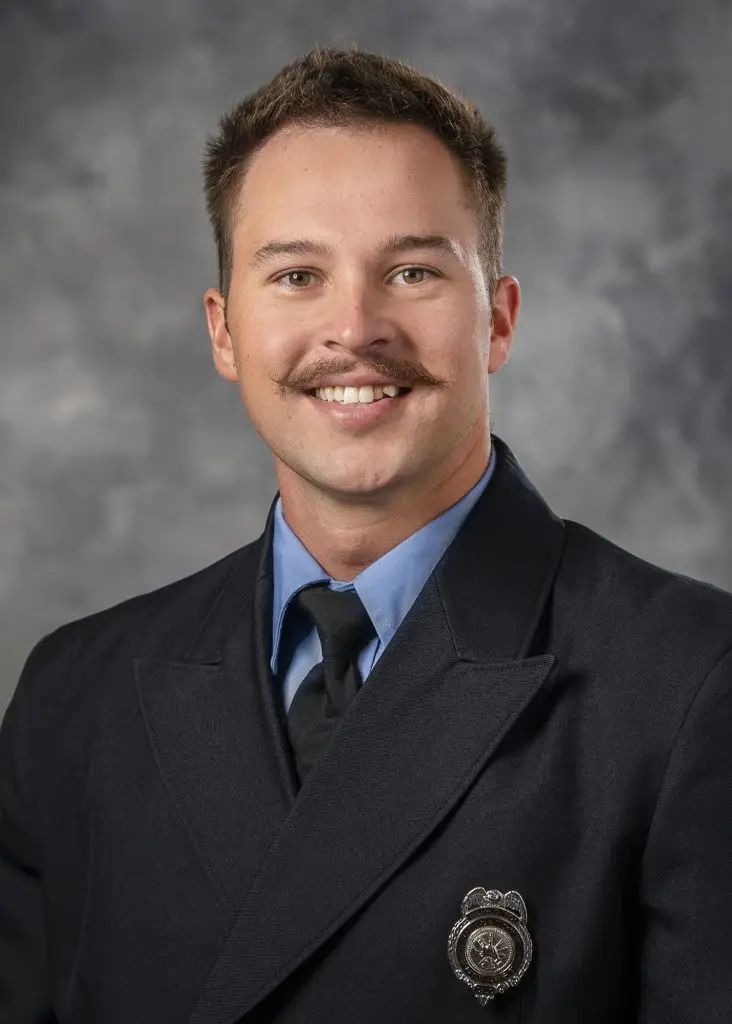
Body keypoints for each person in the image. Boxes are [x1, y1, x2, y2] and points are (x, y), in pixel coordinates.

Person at [1, 45, 730, 1024]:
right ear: (224, 332)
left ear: (499, 321)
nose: (354, 325)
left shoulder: (690, 684)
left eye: (414, 269)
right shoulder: (73, 698)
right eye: (297, 273)